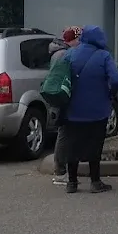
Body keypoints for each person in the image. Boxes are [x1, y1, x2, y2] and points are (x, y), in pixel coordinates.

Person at [61, 25, 118, 194]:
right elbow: (116, 79)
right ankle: (95, 181)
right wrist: (110, 93)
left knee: (72, 145)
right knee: (95, 145)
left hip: (73, 108)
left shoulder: (70, 54)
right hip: (97, 109)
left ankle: (72, 182)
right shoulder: (103, 56)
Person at [48, 26, 81, 186]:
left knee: (65, 133)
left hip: (58, 97)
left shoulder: (57, 53)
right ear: (73, 40)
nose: (80, 42)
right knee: (64, 134)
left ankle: (61, 170)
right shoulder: (64, 55)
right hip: (62, 97)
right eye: (78, 39)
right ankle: (60, 171)